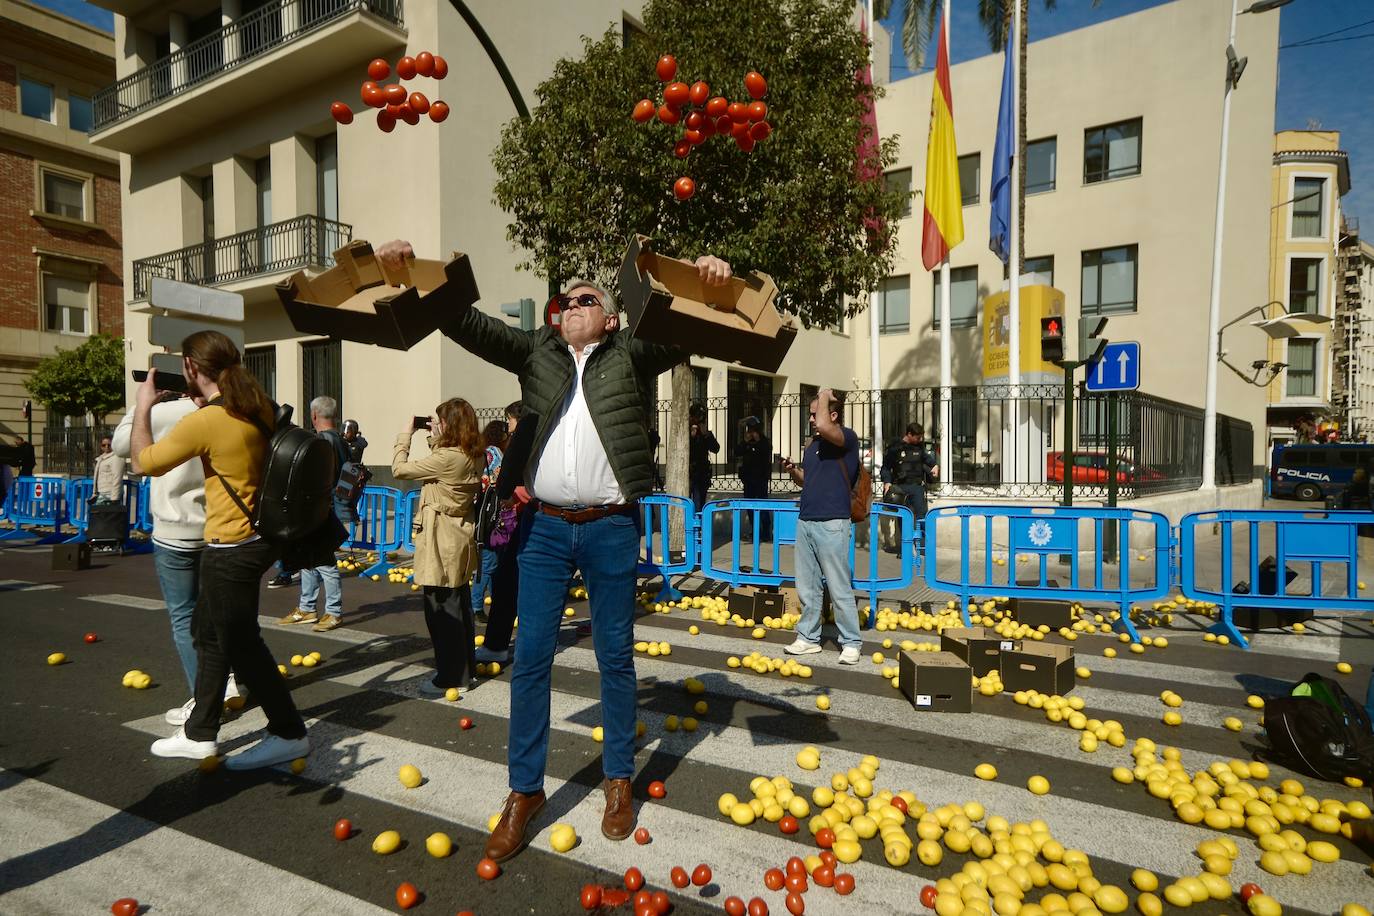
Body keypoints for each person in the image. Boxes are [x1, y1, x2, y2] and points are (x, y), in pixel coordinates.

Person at [377, 238, 732, 862]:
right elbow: (464, 321)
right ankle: (524, 791)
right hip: (541, 529)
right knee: (532, 658)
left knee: (615, 658)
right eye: (564, 299)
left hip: (611, 527)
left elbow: (694, 331)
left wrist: (713, 285)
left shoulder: (630, 351)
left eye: (585, 298)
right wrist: (408, 277)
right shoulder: (535, 350)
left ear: (611, 315)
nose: (571, 304)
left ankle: (617, 780)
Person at [131, 330, 309, 769]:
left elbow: (142, 462)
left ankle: (289, 732)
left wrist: (143, 406)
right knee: (211, 635)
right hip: (259, 537)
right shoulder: (255, 406)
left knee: (241, 642)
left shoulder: (208, 420)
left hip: (232, 545)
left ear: (191, 368)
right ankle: (200, 732)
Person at [113, 393, 241, 725]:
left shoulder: (163, 412)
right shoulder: (228, 409)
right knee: (215, 613)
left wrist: (141, 403)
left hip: (176, 527)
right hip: (217, 525)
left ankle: (204, 702)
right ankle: (227, 682)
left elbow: (121, 445)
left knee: (185, 618)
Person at [393, 398, 483, 696]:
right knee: (459, 606)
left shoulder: (447, 458)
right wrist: (435, 437)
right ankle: (465, 671)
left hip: (439, 539)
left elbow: (399, 469)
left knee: (440, 611)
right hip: (458, 538)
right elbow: (445, 463)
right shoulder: (473, 454)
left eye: (441, 421)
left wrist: (406, 434)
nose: (437, 425)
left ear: (450, 425)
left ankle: (450, 677)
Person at [780, 389, 862, 665]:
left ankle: (851, 641)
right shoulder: (811, 446)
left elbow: (827, 426)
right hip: (806, 521)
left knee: (838, 586)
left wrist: (824, 394)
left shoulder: (846, 439)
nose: (812, 419)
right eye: (811, 415)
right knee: (807, 586)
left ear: (833, 414)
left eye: (815, 414)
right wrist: (793, 470)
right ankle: (808, 638)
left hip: (833, 522)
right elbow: (807, 480)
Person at [278, 396, 352, 632]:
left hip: (321, 509)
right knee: (310, 559)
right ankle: (308, 607)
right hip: (329, 506)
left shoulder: (321, 441)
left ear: (314, 415)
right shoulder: (339, 440)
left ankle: (333, 611)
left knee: (324, 562)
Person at [476, 409, 537, 666]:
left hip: (532, 518)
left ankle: (498, 645)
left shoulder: (524, 441)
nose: (508, 428)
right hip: (533, 517)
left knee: (507, 582)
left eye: (511, 421)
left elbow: (506, 483)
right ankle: (508, 644)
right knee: (513, 582)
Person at [880, 422, 938, 553]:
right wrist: (887, 482)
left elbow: (927, 458)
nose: (920, 440)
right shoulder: (895, 448)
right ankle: (905, 548)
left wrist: (934, 465)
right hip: (901, 487)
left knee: (921, 515)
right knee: (904, 517)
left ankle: (922, 547)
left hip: (917, 487)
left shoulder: (919, 447)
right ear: (909, 434)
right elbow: (886, 467)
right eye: (917, 437)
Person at [472, 419, 510, 615]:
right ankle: (476, 606)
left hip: (485, 515)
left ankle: (497, 606)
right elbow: (502, 481)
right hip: (491, 517)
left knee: (492, 563)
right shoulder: (495, 453)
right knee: (489, 563)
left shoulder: (484, 450)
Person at [736, 416, 773, 541]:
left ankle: (766, 532)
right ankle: (755, 530)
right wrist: (746, 442)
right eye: (749, 430)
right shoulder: (746, 443)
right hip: (748, 479)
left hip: (761, 479)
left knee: (763, 505)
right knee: (749, 505)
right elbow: (737, 452)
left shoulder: (764, 442)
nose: (751, 433)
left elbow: (765, 454)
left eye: (753, 430)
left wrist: (757, 442)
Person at [688, 403, 719, 513]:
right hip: (689, 473)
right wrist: (691, 436)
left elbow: (716, 448)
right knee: (688, 502)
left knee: (700, 502)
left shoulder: (705, 433)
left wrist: (706, 435)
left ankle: (699, 526)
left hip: (702, 473)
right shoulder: (686, 431)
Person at [92, 435, 126, 504]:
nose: (106, 447)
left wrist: (114, 498)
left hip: (110, 494)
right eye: (104, 445)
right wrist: (95, 493)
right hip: (102, 492)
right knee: (98, 513)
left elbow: (117, 477)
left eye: (109, 445)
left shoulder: (116, 457)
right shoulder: (101, 457)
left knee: (106, 514)